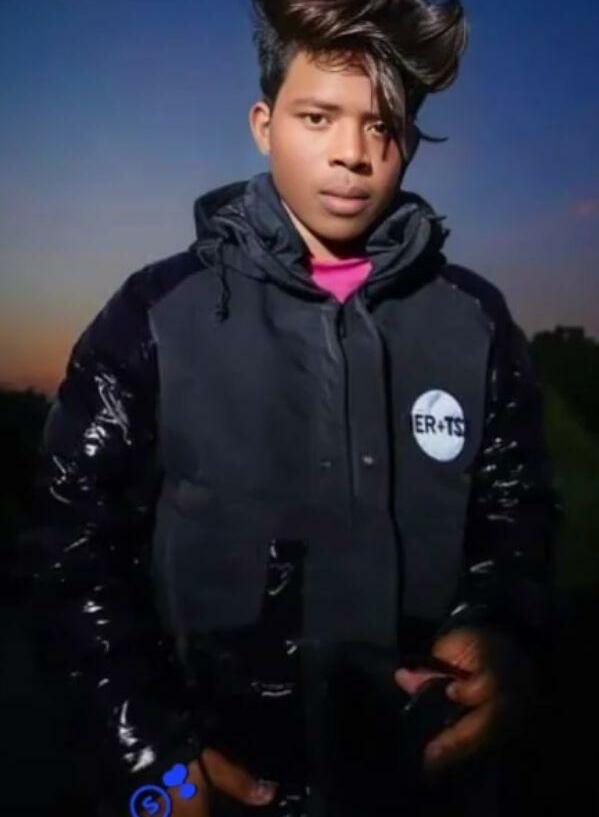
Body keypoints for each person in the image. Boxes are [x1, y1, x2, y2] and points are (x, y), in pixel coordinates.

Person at [25, 1, 562, 815]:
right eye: (318, 117)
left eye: (382, 125)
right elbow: (70, 545)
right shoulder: (154, 313)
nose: (352, 152)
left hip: (423, 790)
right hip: (220, 784)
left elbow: (519, 519)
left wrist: (503, 632)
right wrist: (149, 751)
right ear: (263, 125)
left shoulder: (476, 322)